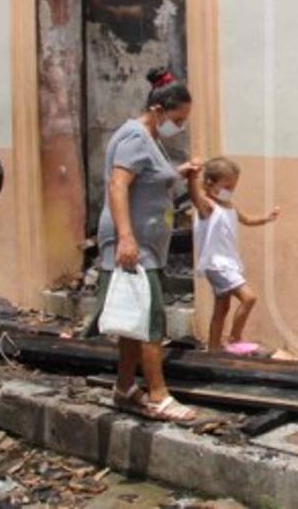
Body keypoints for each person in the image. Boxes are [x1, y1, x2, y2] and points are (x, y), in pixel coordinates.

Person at [90, 67, 199, 422]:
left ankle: (124, 388)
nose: (179, 126)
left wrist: (179, 173)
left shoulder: (150, 139)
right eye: (178, 119)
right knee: (151, 319)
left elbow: (149, 179)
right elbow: (119, 185)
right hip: (134, 244)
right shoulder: (136, 137)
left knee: (134, 320)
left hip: (144, 244)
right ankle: (158, 395)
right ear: (159, 110)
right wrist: (126, 238)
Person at [189, 156, 280, 355]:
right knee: (249, 298)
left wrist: (266, 218)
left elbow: (246, 219)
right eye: (227, 186)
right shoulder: (208, 206)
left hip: (228, 263)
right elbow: (196, 198)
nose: (229, 191)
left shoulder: (228, 206)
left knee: (221, 308)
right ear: (210, 183)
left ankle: (212, 350)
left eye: (233, 187)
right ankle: (234, 338)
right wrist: (192, 178)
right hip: (217, 264)